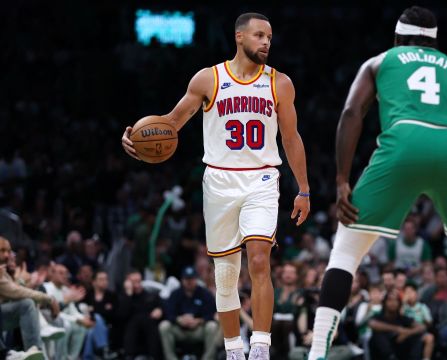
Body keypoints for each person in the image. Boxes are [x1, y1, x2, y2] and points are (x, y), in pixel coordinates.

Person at [308, 6, 447, 360]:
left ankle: (317, 354)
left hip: (403, 145)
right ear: (435, 44)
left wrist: (341, 180)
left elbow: (351, 113)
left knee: (345, 252)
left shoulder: (380, 62)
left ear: (397, 39)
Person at [121, 12, 311, 360]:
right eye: (259, 35)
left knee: (258, 259)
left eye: (269, 36)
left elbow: (291, 137)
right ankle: (233, 349)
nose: (266, 42)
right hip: (219, 180)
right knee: (225, 272)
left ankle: (261, 347)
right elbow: (172, 123)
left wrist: (304, 189)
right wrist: (135, 138)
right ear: (239, 37)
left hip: (262, 178)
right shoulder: (208, 79)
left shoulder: (279, 82)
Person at [159, 266, 220, 360]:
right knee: (164, 326)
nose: (189, 281)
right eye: (187, 279)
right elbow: (168, 313)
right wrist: (179, 319)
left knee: (212, 326)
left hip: (198, 330)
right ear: (182, 280)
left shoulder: (205, 294)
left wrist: (198, 321)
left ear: (196, 279)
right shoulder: (176, 294)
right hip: (180, 329)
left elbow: (211, 314)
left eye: (191, 279)